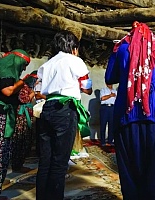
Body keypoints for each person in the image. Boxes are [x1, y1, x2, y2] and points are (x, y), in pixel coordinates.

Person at [105, 21, 155, 200]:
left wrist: (129, 74)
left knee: (129, 165)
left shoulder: (121, 46)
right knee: (154, 165)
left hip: (126, 110)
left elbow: (109, 76)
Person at [36, 30, 93, 200]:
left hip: (47, 109)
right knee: (60, 163)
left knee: (45, 161)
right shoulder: (75, 61)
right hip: (65, 110)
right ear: (74, 48)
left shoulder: (46, 65)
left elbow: (39, 90)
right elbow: (87, 87)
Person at [0, 49, 31, 200]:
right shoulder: (5, 68)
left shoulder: (6, 69)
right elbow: (7, 91)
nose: (23, 68)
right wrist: (23, 81)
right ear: (17, 60)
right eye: (24, 64)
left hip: (2, 116)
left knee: (2, 156)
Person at [11, 70, 38, 171]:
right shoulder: (24, 88)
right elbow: (24, 100)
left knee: (27, 140)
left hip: (27, 115)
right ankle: (17, 165)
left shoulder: (29, 88)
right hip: (22, 117)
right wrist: (32, 94)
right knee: (20, 140)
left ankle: (20, 163)